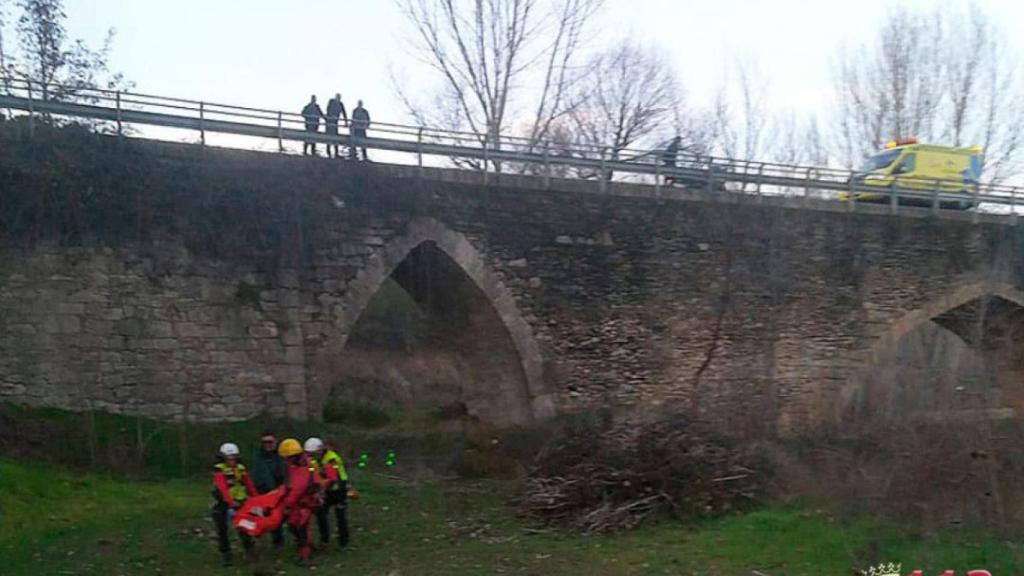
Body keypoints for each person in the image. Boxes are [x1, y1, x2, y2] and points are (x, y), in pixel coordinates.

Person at [278, 437, 323, 566]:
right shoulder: (294, 465)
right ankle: (305, 545)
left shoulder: (304, 467)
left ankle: (304, 554)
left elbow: (297, 489)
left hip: (306, 501)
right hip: (298, 502)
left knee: (301, 526)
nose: (286, 460)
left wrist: (287, 505)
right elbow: (290, 484)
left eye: (287, 458)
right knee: (293, 525)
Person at [211, 442, 258, 567]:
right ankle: (226, 554)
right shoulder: (219, 470)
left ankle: (249, 550)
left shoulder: (241, 469)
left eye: (234, 457)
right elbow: (222, 488)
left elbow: (249, 485)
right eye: (229, 458)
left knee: (244, 527)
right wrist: (230, 503)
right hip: (222, 502)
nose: (232, 460)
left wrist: (257, 499)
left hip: (240, 501)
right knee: (222, 529)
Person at [305, 437, 352, 549]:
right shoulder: (314, 460)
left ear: (320, 450)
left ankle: (343, 543)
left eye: (313, 453)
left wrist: (320, 489)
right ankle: (324, 540)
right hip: (326, 491)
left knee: (340, 516)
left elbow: (332, 478)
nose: (311, 456)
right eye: (310, 454)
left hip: (338, 491)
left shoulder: (331, 458)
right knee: (320, 514)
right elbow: (313, 474)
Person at [249, 430, 286, 548]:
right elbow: (262, 474)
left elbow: (284, 472)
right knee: (260, 517)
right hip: (263, 491)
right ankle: (256, 541)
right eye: (265, 442)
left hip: (279, 490)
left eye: (270, 442)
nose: (267, 445)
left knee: (278, 517)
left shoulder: (281, 455)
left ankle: (278, 542)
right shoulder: (259, 457)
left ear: (275, 442)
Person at [325, 93, 348, 159]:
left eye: (339, 98)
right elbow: (328, 109)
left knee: (335, 137)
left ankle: (336, 152)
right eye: (338, 97)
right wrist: (331, 116)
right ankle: (328, 152)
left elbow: (344, 112)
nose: (338, 99)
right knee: (328, 137)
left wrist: (345, 121)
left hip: (335, 122)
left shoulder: (341, 104)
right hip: (329, 121)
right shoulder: (331, 101)